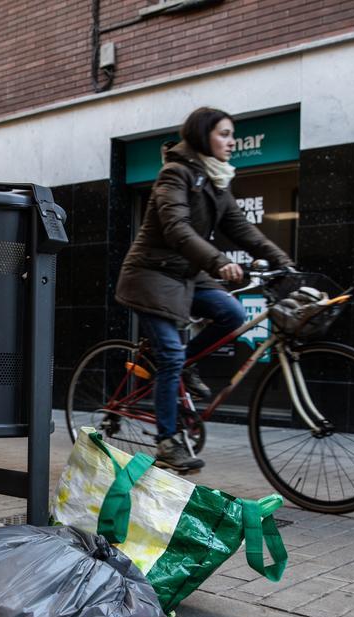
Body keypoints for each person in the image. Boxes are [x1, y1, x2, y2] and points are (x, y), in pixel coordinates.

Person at [116, 107, 294, 471]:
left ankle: (182, 367)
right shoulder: (174, 174)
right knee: (169, 355)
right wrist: (217, 262)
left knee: (230, 313)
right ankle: (168, 441)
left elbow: (243, 230)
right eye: (225, 134)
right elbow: (176, 228)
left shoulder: (217, 182)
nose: (231, 142)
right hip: (151, 274)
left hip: (186, 274)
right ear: (202, 136)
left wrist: (284, 262)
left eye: (232, 135)